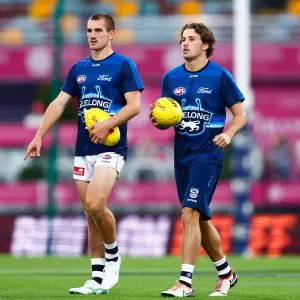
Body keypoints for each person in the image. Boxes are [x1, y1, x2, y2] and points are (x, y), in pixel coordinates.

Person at [24, 13, 144, 295]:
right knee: (90, 214)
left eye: (99, 30)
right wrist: (39, 135)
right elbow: (58, 103)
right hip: (83, 149)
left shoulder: (123, 65)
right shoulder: (79, 68)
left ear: (111, 34)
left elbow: (134, 105)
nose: (93, 35)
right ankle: (97, 277)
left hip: (111, 148)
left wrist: (107, 125)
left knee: (95, 202)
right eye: (89, 30)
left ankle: (114, 257)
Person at [150, 22, 247, 297]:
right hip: (182, 155)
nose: (184, 43)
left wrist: (228, 134)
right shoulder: (171, 78)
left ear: (205, 45)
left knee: (189, 213)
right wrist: (158, 120)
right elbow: (166, 115)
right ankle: (227, 274)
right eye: (182, 38)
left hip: (208, 153)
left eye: (191, 39)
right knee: (200, 219)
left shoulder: (219, 76)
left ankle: (185, 283)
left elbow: (241, 114)